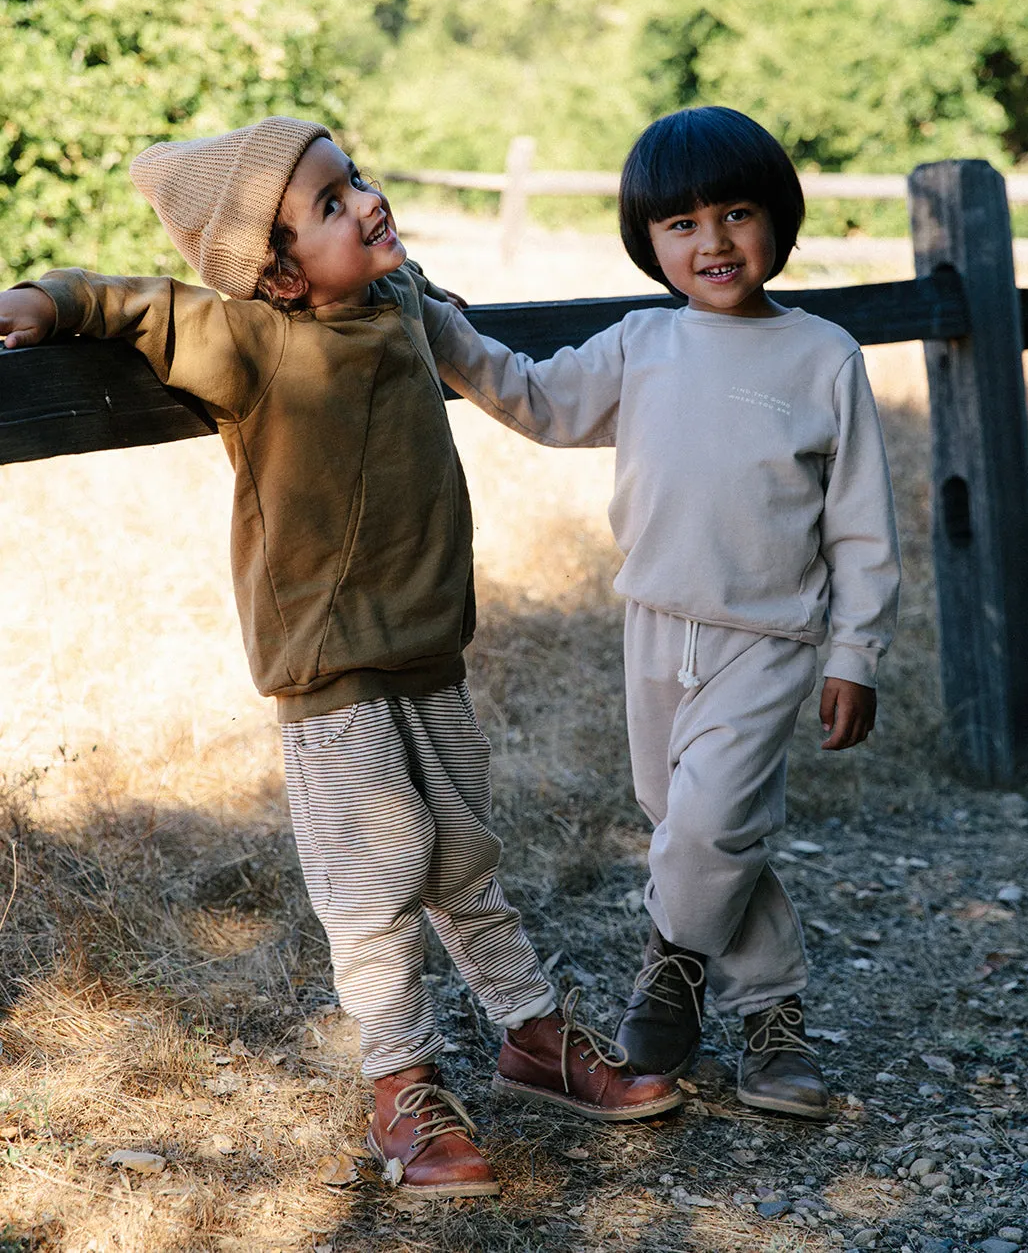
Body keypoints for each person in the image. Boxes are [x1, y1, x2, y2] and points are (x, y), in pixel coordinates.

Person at [0, 117, 681, 1198]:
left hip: (428, 649)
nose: (364, 200)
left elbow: (483, 354)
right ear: (271, 271)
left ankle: (535, 1039)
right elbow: (129, 303)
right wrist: (40, 303)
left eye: (352, 178)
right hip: (329, 666)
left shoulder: (405, 303)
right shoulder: (251, 343)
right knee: (373, 881)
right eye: (329, 204)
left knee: (463, 854)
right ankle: (399, 1086)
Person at [424, 105, 901, 1121]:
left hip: (767, 638)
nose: (714, 241)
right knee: (697, 833)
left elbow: (863, 527)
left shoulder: (823, 357)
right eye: (682, 225)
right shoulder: (641, 343)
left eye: (736, 214)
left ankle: (669, 973)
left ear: (780, 219)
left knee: (711, 827)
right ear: (648, 243)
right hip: (651, 627)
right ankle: (774, 1027)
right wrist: (438, 326)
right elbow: (538, 399)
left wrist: (855, 652)